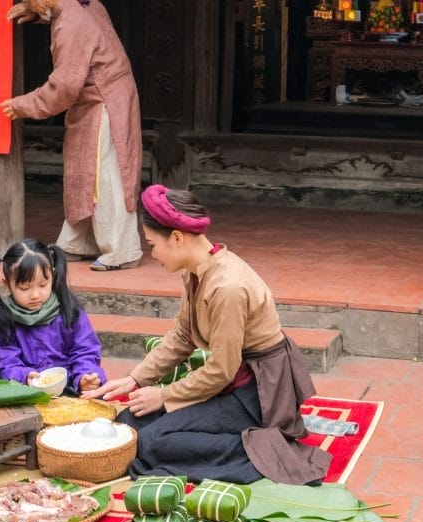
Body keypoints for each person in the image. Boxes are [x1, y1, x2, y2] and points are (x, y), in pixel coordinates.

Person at [87, 185, 329, 486]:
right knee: (129, 424)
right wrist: (136, 379)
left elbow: (221, 371)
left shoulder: (227, 287)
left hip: (256, 395)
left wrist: (164, 395)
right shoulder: (196, 270)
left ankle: (265, 451)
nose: (153, 253)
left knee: (150, 443)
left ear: (177, 238)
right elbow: (182, 336)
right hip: (230, 383)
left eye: (153, 244)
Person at [0, 0, 143, 272]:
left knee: (105, 176)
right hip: (98, 97)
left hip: (105, 100)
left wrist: (22, 105)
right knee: (84, 172)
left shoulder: (71, 25)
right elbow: (57, 12)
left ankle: (122, 250)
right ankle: (79, 242)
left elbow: (63, 87)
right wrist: (33, 12)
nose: (27, 4)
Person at [0, 238, 105, 393]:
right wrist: (24, 376)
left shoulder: (69, 310)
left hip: (71, 385)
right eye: (24, 288)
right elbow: (7, 362)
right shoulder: (5, 318)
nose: (35, 295)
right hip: (28, 390)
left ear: (53, 276)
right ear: (7, 284)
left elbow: (86, 350)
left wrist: (85, 376)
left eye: (43, 285)